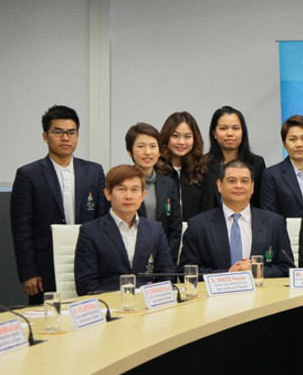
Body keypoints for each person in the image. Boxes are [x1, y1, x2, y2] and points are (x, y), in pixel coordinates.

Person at [11, 105, 108, 303]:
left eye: (71, 132)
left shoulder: (94, 171)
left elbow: (102, 219)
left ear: (77, 136)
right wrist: (28, 272)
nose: (65, 138)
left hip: (89, 262)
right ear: (45, 136)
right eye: (58, 132)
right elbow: (22, 229)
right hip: (45, 267)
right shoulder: (28, 175)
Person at [179, 160, 293, 277]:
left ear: (252, 186)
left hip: (261, 293)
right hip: (217, 294)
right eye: (232, 181)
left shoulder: (274, 223)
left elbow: (287, 269)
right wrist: (227, 274)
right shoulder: (198, 225)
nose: (238, 186)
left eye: (244, 181)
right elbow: (185, 272)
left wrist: (259, 272)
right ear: (219, 185)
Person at [74, 165, 175, 295]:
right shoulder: (90, 232)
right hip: (110, 307)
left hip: (148, 306)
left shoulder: (155, 230)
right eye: (122, 189)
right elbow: (86, 285)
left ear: (143, 195)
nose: (129, 196)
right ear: (108, 194)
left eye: (135, 190)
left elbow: (166, 275)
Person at [125, 122, 182, 259]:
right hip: (130, 256)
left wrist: (168, 260)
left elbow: (175, 227)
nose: (148, 152)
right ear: (129, 152)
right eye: (141, 146)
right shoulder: (123, 184)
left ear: (160, 151)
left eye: (153, 146)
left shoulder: (168, 183)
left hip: (162, 257)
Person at [202, 106, 266, 210]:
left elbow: (260, 203)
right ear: (214, 133)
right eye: (223, 128)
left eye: (235, 128)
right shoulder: (203, 164)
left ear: (243, 132)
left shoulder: (257, 163)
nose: (230, 134)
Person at [261, 115, 303, 217]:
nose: (299, 144)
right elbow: (269, 215)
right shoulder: (272, 175)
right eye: (293, 139)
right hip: (285, 232)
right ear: (284, 143)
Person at [158, 111, 211, 222]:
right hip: (164, 235)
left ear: (194, 139)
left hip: (196, 234)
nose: (181, 142)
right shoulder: (157, 169)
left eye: (187, 136)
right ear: (166, 137)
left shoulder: (203, 168)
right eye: (175, 136)